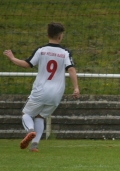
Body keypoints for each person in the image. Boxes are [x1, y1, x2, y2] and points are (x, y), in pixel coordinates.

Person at [4, 22, 80, 152]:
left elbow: (27, 64)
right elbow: (71, 69)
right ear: (60, 36)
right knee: (40, 116)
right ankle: (35, 145)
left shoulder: (41, 50)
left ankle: (30, 131)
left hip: (41, 90)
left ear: (48, 35)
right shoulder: (65, 52)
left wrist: (12, 58)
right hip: (57, 93)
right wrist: (76, 87)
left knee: (26, 114)